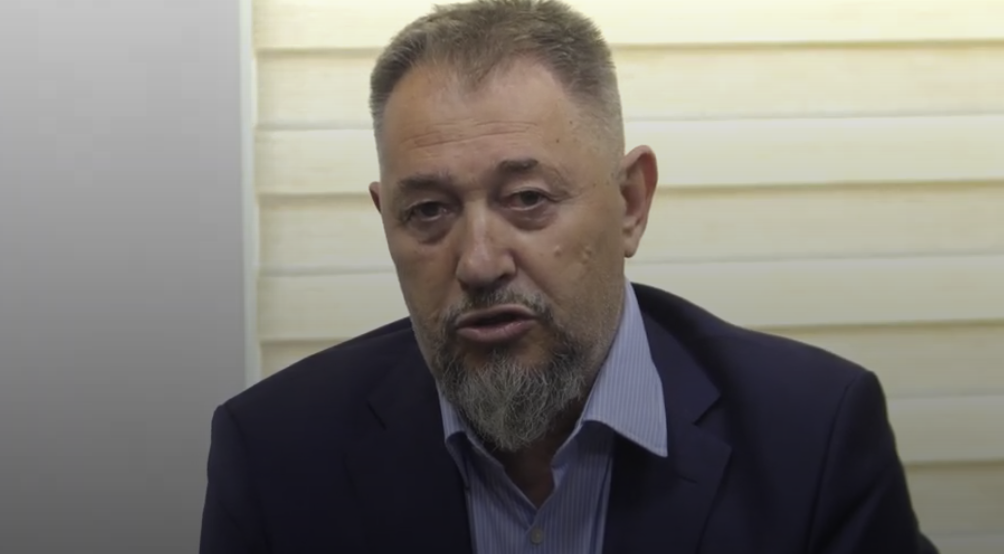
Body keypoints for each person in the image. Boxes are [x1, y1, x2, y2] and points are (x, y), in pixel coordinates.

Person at [199, 1, 939, 552]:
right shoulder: (275, 455)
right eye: (428, 211)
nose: (479, 262)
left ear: (631, 203)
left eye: (527, 199)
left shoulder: (811, 435)